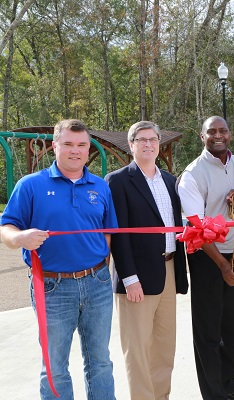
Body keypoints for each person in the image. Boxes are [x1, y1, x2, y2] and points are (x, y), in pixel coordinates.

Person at [0, 119, 118, 400]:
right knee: (54, 367)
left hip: (98, 284)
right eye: (68, 144)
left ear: (89, 148)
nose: (75, 151)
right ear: (55, 146)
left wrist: (103, 270)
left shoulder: (100, 187)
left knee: (100, 362)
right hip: (53, 288)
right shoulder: (31, 186)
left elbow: (109, 233)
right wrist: (19, 238)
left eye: (81, 145)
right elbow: (6, 228)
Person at [177, 116, 234, 400]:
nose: (218, 135)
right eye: (211, 131)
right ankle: (213, 394)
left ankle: (230, 387)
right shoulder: (192, 174)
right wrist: (223, 266)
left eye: (223, 130)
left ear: (230, 134)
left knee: (233, 327)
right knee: (208, 330)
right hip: (207, 257)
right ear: (202, 137)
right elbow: (195, 228)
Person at [105, 121, 188, 399]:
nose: (149, 144)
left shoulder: (170, 181)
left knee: (164, 347)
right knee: (138, 350)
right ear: (131, 145)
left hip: (168, 271)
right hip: (136, 278)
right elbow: (119, 234)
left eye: (153, 139)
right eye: (142, 140)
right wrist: (129, 278)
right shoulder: (118, 181)